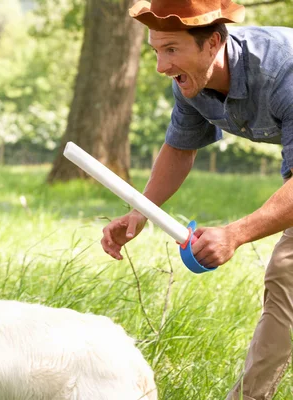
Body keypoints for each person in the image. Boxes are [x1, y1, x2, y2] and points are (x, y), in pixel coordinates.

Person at [101, 1, 293, 399]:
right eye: (156, 51)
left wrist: (235, 234)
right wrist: (140, 212)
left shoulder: (282, 73)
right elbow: (179, 149)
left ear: (213, 43)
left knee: (286, 267)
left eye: (171, 50)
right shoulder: (191, 81)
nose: (161, 66)